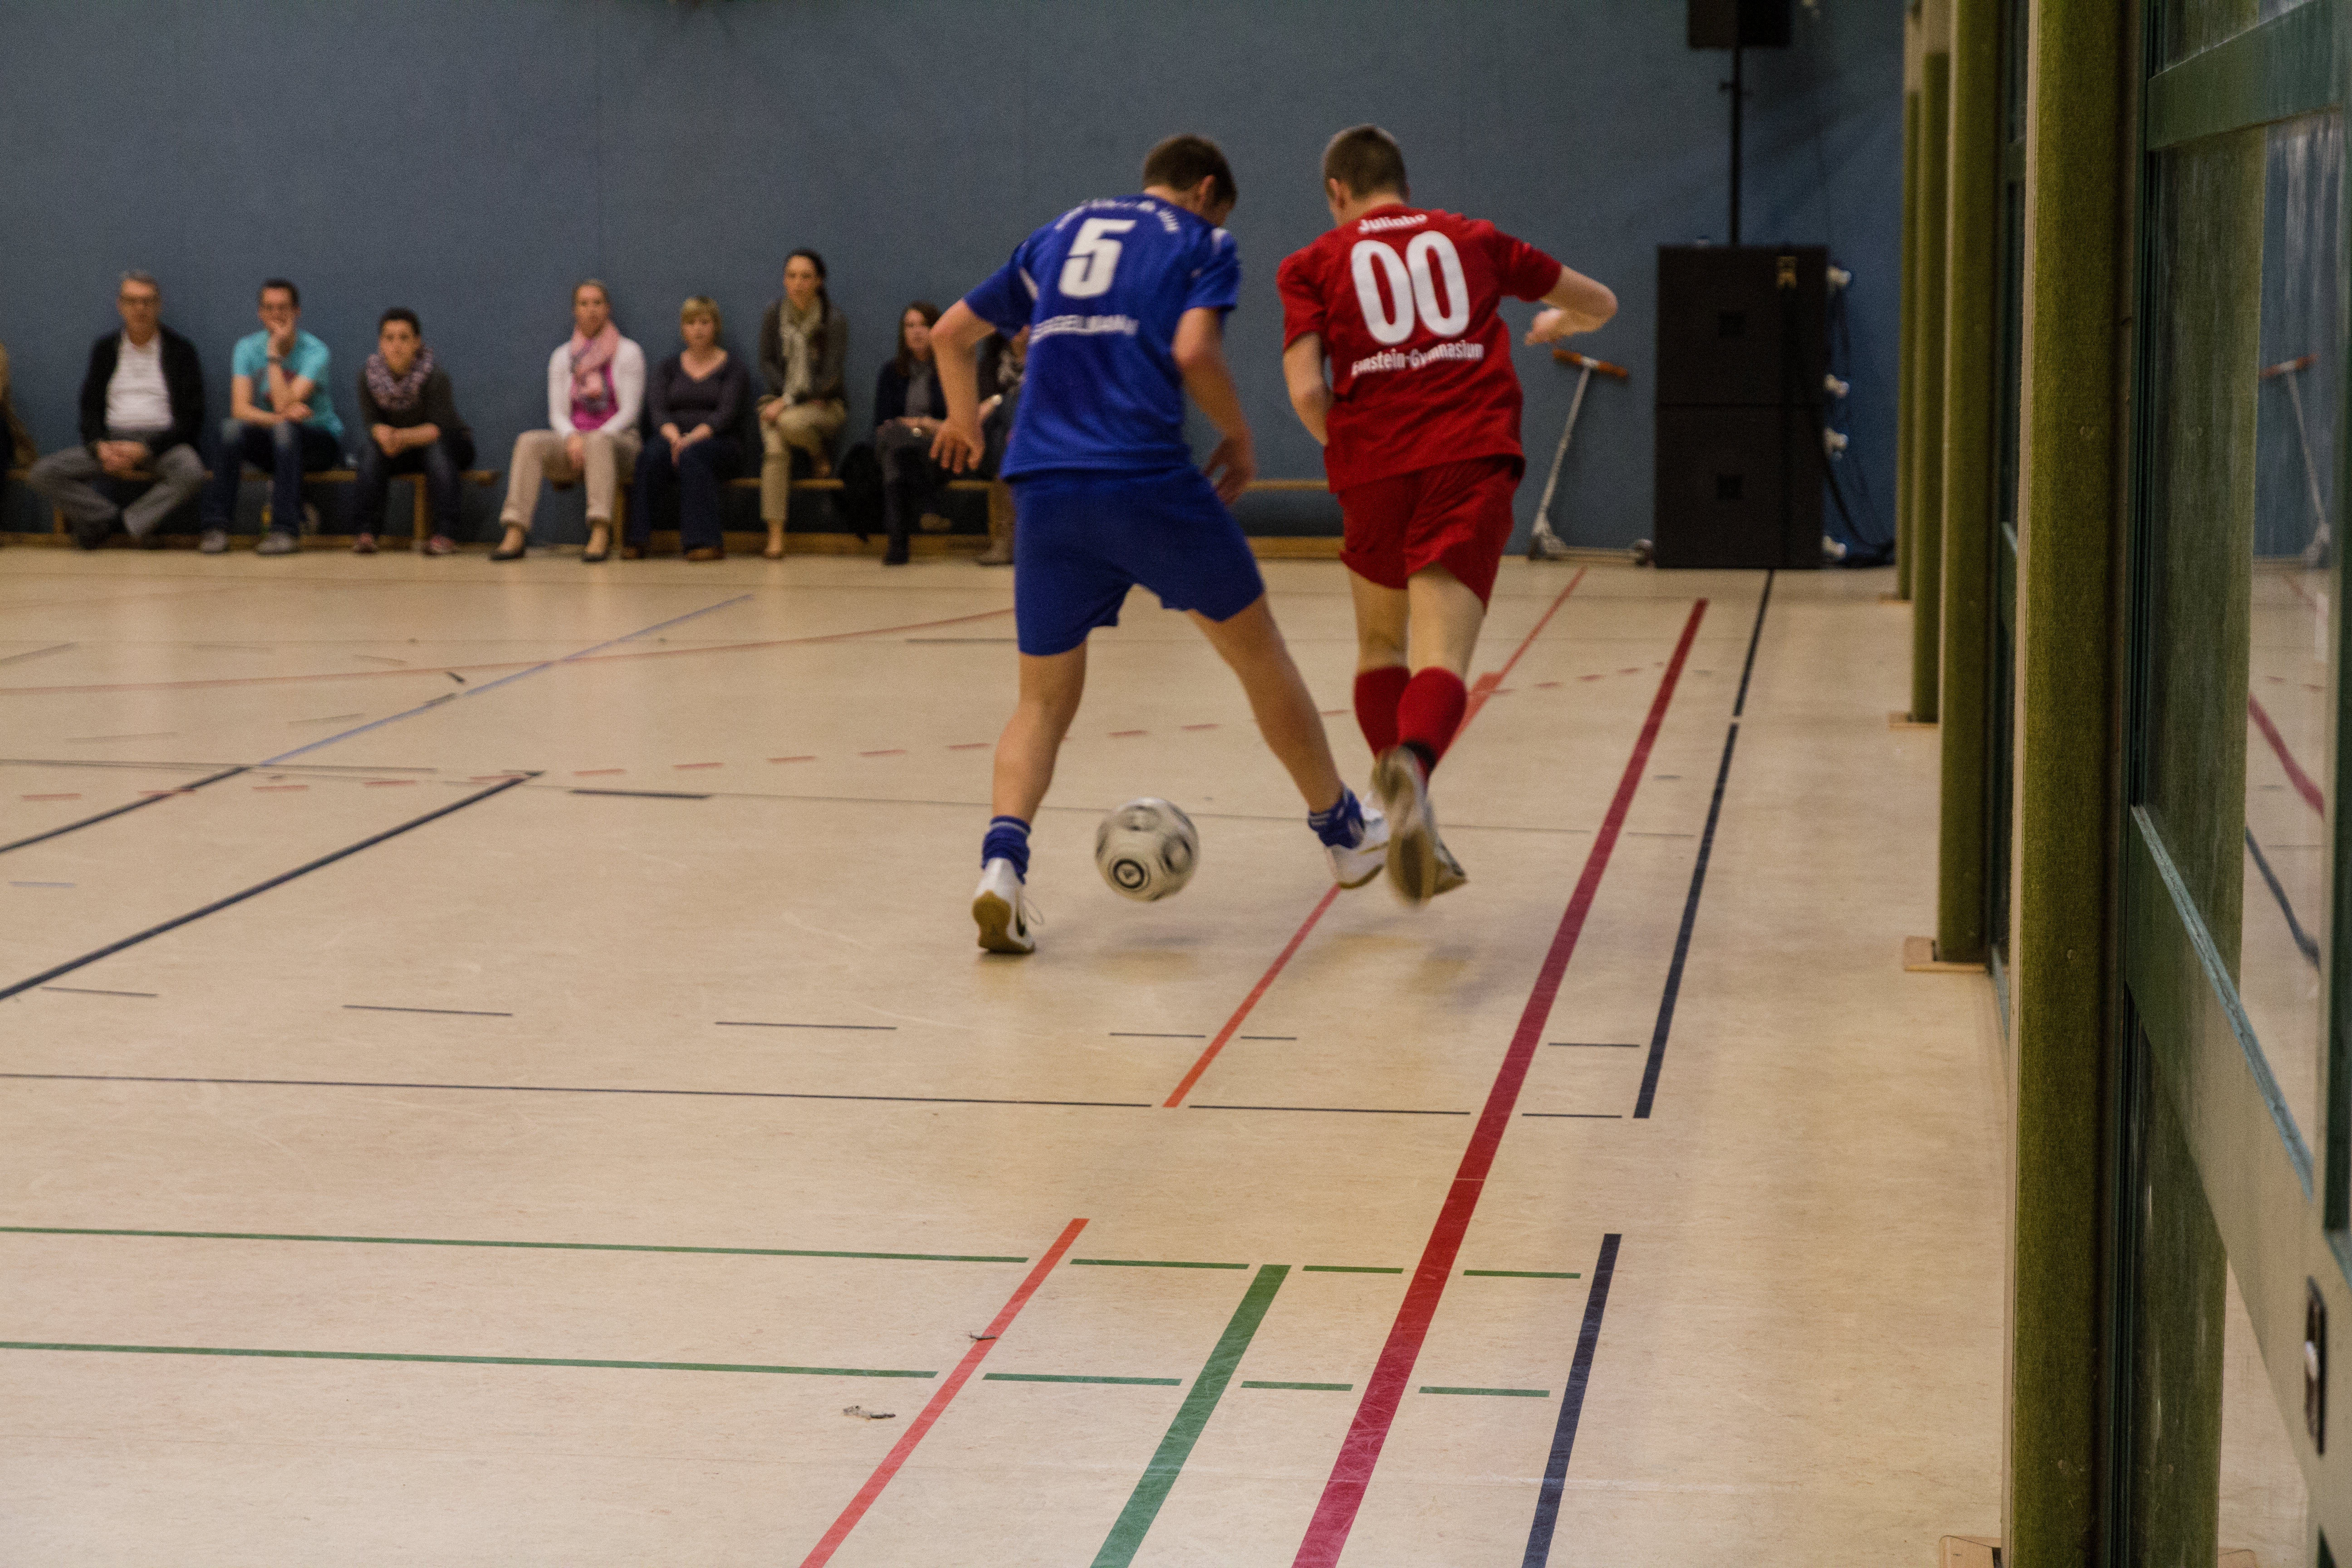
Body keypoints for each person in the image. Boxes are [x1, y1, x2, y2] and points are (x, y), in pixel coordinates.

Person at [932, 132, 1388, 956]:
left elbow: (948, 334)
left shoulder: (1057, 234)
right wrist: (1238, 434)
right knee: (1259, 655)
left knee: (1041, 702)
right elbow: (1193, 349)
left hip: (1043, 487)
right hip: (1144, 479)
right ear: (1207, 190)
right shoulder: (1202, 241)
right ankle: (1342, 833)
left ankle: (1001, 868)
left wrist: (964, 421)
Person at [1279, 124, 1617, 903]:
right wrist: (1560, 323)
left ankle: (1408, 813)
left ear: (1336, 191)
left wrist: (1352, 450)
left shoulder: (1309, 263)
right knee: (1441, 657)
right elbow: (1599, 302)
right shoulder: (1472, 239)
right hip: (1466, 454)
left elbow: (1305, 389)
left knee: (1379, 644)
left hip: (1372, 467)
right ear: (1401, 181)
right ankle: (1414, 768)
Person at [24, 271, 206, 549]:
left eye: (147, 301)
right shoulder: (106, 349)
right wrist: (99, 446)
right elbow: (90, 407)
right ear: (120, 306)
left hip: (162, 443)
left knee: (192, 471)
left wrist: (146, 449)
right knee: (42, 473)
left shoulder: (181, 350)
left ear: (159, 305)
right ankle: (107, 517)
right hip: (112, 441)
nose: (140, 309)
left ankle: (129, 522)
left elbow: (192, 417)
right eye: (132, 301)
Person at [493, 280, 645, 563]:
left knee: (598, 441)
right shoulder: (562, 356)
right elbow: (558, 414)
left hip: (620, 444)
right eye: (584, 304)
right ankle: (515, 531)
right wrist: (573, 437)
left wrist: (592, 438)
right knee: (529, 442)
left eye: (597, 303)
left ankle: (600, 531)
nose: (591, 310)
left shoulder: (629, 352)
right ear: (575, 310)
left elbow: (630, 413)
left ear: (608, 308)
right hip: (575, 444)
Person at [198, 279, 343, 556]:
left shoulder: (316, 351)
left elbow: (282, 404)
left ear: (297, 311)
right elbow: (240, 410)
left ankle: (284, 531)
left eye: (283, 308)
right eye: (269, 308)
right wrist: (281, 418)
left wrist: (274, 355)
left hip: (319, 442)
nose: (276, 314)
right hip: (277, 440)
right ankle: (216, 528)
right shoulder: (246, 348)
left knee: (285, 432)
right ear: (260, 313)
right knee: (230, 430)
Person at [627, 296, 748, 563]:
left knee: (694, 456)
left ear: (716, 326)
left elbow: (725, 414)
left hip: (720, 441)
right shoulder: (668, 367)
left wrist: (691, 439)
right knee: (649, 456)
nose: (698, 329)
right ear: (683, 328)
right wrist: (675, 439)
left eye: (705, 322)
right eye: (691, 323)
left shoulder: (734, 368)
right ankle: (638, 539)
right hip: (673, 437)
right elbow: (658, 410)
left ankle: (705, 542)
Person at [351, 309, 476, 556]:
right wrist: (381, 434)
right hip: (402, 449)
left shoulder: (434, 376)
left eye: (404, 338)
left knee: (436, 452)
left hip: (449, 444)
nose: (396, 345)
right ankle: (366, 534)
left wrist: (399, 437)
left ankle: (446, 534)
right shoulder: (367, 377)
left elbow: (436, 430)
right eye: (390, 338)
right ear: (381, 343)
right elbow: (372, 422)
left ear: (417, 343)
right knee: (370, 452)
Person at [756, 249, 848, 559]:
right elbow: (767, 362)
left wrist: (790, 401)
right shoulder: (774, 314)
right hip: (777, 400)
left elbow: (830, 377)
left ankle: (817, 450)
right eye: (792, 276)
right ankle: (775, 535)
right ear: (784, 280)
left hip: (824, 404)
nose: (798, 283)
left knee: (789, 422)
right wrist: (783, 398)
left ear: (819, 281)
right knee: (775, 452)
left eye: (806, 277)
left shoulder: (833, 320)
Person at [872, 301, 950, 565]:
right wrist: (915, 429)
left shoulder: (950, 369)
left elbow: (957, 424)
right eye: (910, 326)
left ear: (936, 329)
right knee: (894, 443)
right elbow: (883, 424)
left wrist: (922, 423)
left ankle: (897, 545)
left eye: (924, 325)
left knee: (896, 456)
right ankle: (931, 504)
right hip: (900, 440)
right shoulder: (890, 372)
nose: (916, 332)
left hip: (938, 449)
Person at [971, 325, 1028, 566]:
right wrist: (999, 401)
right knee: (1004, 411)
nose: (1020, 327)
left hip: (1036, 437)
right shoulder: (992, 362)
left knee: (1009, 407)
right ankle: (1011, 540)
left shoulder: (1045, 356)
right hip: (997, 445)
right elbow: (982, 407)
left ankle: (1006, 541)